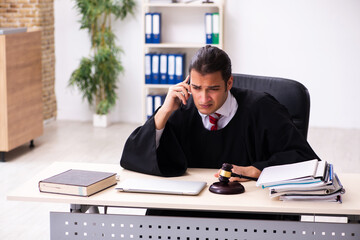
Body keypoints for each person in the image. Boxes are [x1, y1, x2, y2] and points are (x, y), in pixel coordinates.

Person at [120, 45, 319, 182]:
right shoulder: (180, 108)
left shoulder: (262, 108)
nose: (203, 99)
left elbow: (305, 158)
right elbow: (132, 158)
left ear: (229, 83)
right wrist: (163, 113)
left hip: (247, 212)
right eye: (196, 88)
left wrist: (256, 169)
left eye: (213, 89)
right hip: (188, 211)